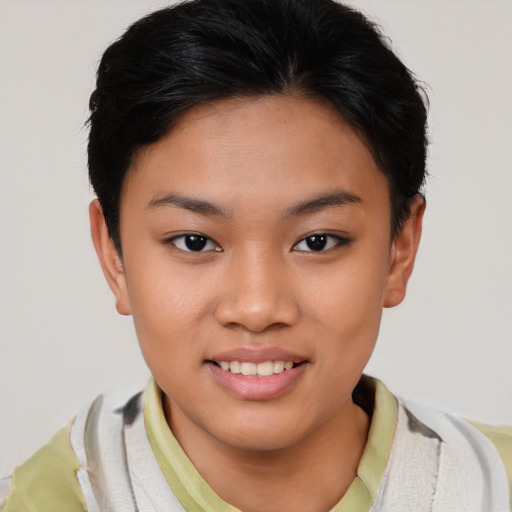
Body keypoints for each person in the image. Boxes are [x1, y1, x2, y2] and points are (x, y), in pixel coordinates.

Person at [1, 0, 510, 510]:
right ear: (114, 255)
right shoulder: (46, 499)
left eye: (317, 241)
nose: (257, 308)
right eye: (195, 241)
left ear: (400, 249)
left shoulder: (493, 486)